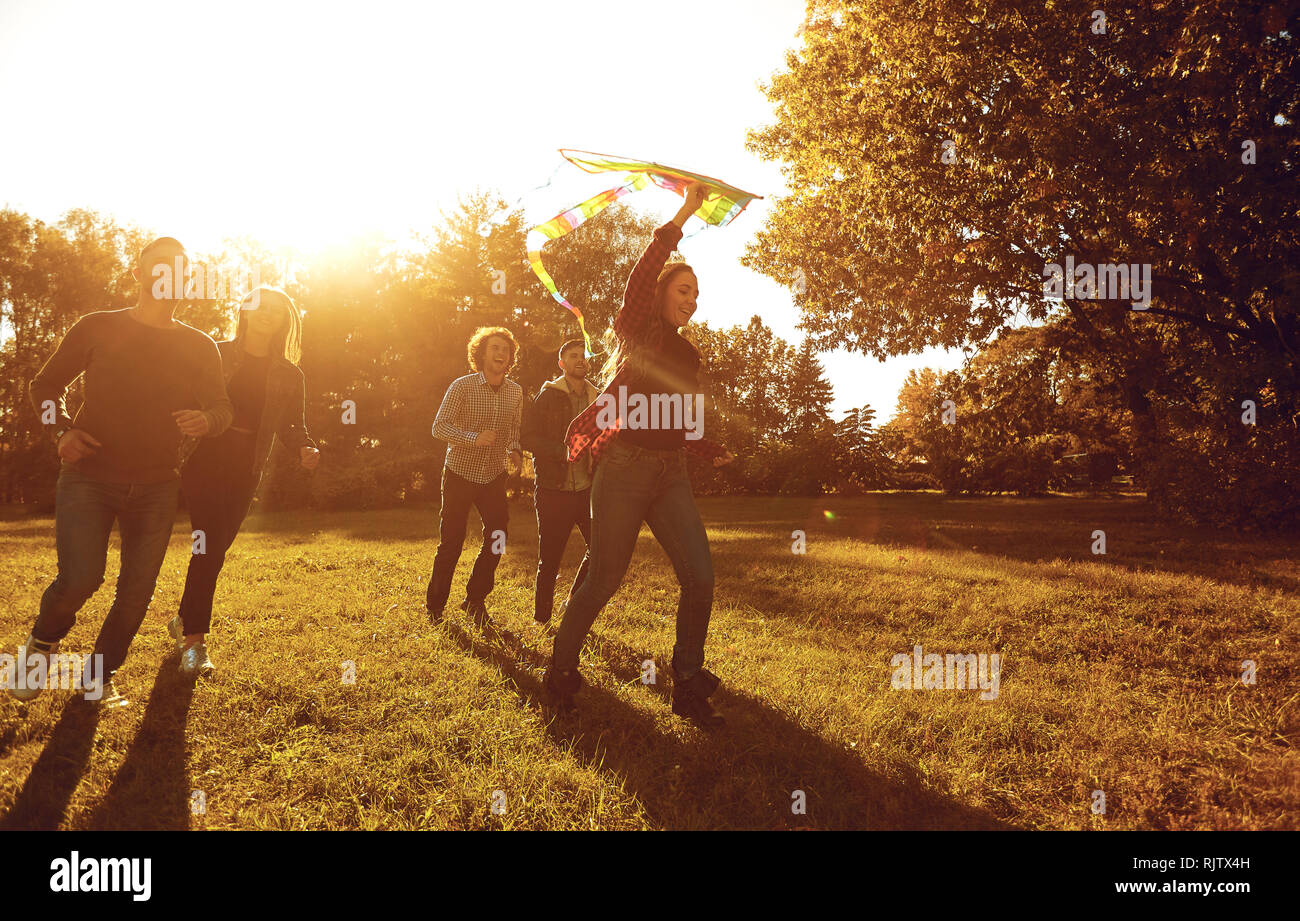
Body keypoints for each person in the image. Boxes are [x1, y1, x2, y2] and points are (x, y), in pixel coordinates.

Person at [10, 237, 233, 708]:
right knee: (80, 579)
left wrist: (208, 420)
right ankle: (39, 649)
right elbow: (45, 385)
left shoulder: (199, 345)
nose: (166, 277)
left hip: (156, 483)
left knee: (135, 592)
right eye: (157, 268)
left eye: (177, 270)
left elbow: (221, 407)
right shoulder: (98, 327)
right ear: (137, 274)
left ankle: (98, 677)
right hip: (90, 476)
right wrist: (60, 431)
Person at [545, 181, 735, 727]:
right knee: (604, 576)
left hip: (670, 473)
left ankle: (688, 682)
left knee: (700, 576)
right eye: (683, 290)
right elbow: (643, 268)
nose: (691, 300)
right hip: (626, 467)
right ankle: (560, 669)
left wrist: (706, 447)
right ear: (659, 294)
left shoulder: (687, 353)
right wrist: (686, 211)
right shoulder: (640, 328)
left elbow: (679, 419)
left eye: (696, 294)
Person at [168, 286, 320, 678]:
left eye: (275, 309)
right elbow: (183, 395)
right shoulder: (214, 353)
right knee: (207, 547)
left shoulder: (290, 374)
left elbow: (292, 425)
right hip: (203, 457)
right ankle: (194, 644)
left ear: (284, 320)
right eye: (260, 306)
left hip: (247, 466)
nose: (267, 313)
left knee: (215, 549)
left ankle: (185, 618)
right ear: (246, 311)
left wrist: (305, 447)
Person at [426, 327, 523, 625]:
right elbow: (439, 427)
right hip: (459, 473)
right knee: (452, 542)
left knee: (498, 537)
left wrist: (515, 451)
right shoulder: (462, 386)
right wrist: (472, 437)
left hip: (493, 476)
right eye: (494, 348)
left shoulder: (516, 392)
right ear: (481, 354)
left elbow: (514, 431)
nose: (500, 354)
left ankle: (475, 599)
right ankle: (435, 607)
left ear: (510, 359)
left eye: (505, 350)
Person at [521, 339, 599, 625]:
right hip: (554, 489)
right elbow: (527, 437)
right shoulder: (549, 396)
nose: (580, 360)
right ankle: (541, 620)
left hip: (588, 491)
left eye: (583, 356)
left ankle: (571, 605)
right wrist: (560, 451)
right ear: (561, 363)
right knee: (550, 559)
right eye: (573, 356)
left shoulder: (598, 397)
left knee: (600, 551)